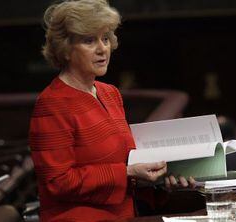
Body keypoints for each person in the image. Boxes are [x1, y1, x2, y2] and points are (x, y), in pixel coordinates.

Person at [29, 0, 194, 221]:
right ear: (65, 49)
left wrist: (161, 179)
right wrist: (127, 172)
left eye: (105, 38)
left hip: (125, 215)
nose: (102, 48)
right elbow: (57, 183)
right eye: (89, 40)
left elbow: (127, 163)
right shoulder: (52, 103)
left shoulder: (110, 93)